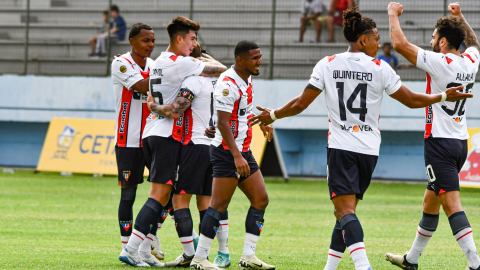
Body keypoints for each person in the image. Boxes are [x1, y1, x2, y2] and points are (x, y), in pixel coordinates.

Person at [247, 7, 471, 270]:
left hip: (341, 147)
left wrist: (273, 114)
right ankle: (330, 267)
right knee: (343, 211)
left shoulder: (328, 64)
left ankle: (363, 266)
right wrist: (443, 96)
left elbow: (299, 103)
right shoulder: (380, 68)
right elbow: (412, 100)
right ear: (363, 40)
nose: (379, 42)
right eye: (376, 37)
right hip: (369, 151)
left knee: (345, 211)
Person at [119, 16, 227, 267]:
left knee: (167, 196)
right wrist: (203, 59)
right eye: (191, 38)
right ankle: (132, 248)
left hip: (154, 131)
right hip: (168, 136)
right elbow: (223, 69)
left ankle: (145, 249)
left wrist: (155, 106)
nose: (193, 43)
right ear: (179, 39)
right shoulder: (182, 64)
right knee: (161, 194)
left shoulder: (160, 62)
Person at [385, 2, 480, 270]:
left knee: (451, 205)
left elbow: (400, 45)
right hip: (459, 142)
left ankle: (475, 264)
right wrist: (460, 18)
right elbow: (475, 45)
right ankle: (411, 259)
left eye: (434, 37)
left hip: (439, 143)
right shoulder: (470, 62)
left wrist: (392, 14)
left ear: (443, 42)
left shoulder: (440, 62)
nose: (431, 41)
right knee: (431, 201)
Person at [189, 40, 274, 270]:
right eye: (254, 58)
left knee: (261, 199)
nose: (259, 61)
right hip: (227, 153)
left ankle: (248, 256)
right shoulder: (228, 84)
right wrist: (237, 156)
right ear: (240, 60)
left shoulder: (247, 79)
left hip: (242, 151)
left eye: (259, 56)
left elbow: (239, 115)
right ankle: (199, 259)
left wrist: (261, 123)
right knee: (218, 206)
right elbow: (224, 123)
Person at [146, 44, 231, 268]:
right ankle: (222, 252)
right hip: (217, 145)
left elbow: (176, 110)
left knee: (179, 200)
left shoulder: (193, 81)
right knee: (209, 204)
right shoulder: (224, 81)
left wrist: (154, 106)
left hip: (194, 145)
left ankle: (190, 254)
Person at [111, 22, 166, 267]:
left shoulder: (155, 65)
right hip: (128, 140)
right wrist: (169, 75)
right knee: (129, 194)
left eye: (153, 41)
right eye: (146, 41)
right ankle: (126, 246)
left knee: (165, 192)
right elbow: (143, 86)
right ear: (132, 41)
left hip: (154, 137)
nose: (151, 45)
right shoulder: (121, 63)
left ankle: (145, 244)